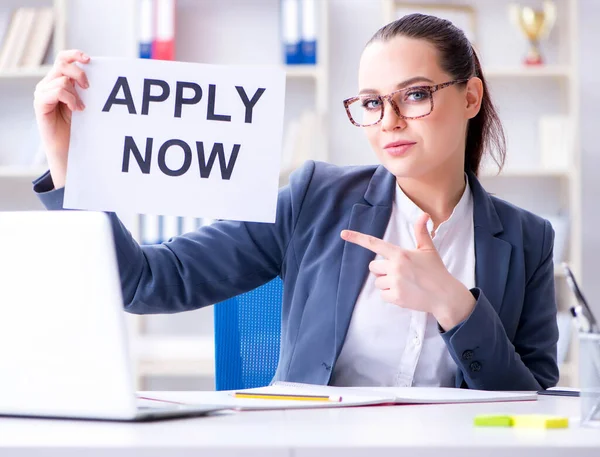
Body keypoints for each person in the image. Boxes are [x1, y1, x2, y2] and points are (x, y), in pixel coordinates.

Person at [32, 13, 558, 391]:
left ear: (470, 97)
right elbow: (145, 282)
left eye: (415, 94)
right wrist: (68, 162)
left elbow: (531, 403)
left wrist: (454, 305)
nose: (389, 120)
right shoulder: (316, 200)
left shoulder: (527, 239)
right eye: (372, 103)